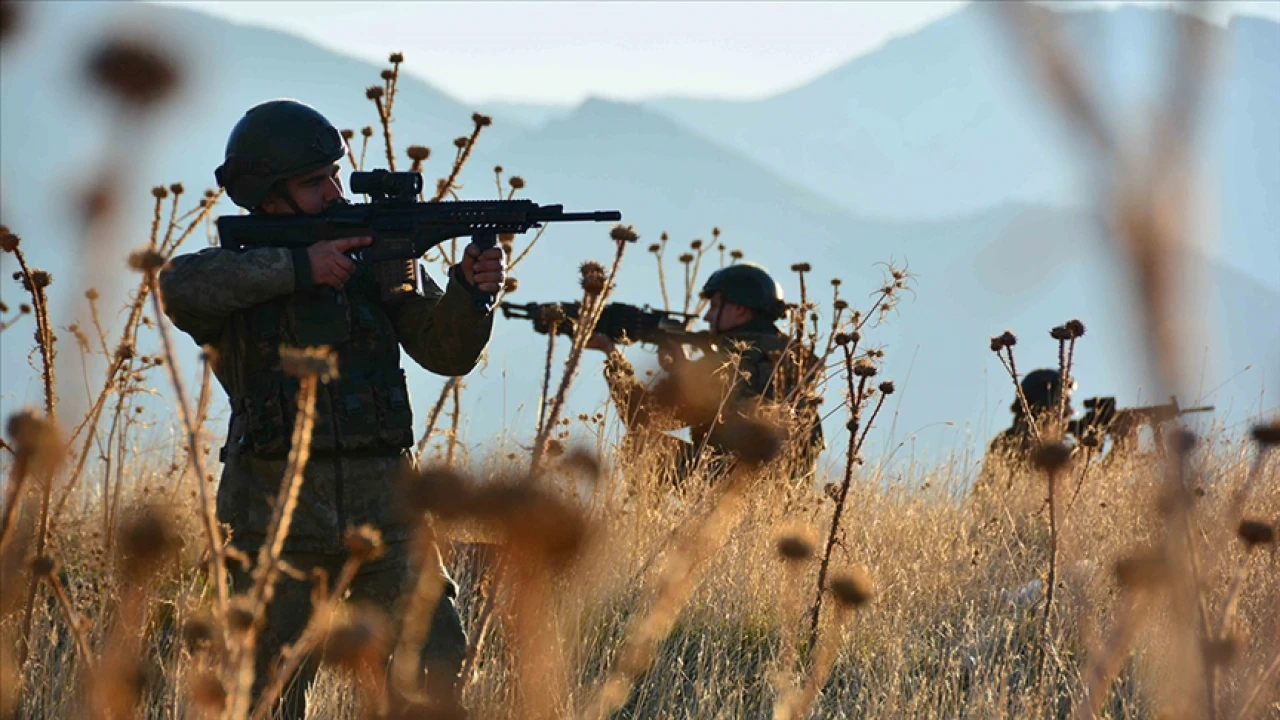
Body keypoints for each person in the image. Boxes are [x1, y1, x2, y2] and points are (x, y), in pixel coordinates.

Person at [158, 99, 505, 719]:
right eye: (314, 183)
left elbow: (443, 351)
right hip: (274, 525)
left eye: (336, 177)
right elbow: (179, 286)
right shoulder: (239, 272)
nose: (335, 193)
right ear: (268, 197)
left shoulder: (377, 257)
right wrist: (300, 268)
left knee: (434, 675)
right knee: (262, 696)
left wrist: (470, 294)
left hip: (388, 515)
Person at [585, 263, 824, 486]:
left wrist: (611, 354)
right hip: (788, 492)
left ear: (740, 310)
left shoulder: (728, 361)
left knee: (642, 445)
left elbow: (642, 415)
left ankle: (646, 517)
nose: (707, 316)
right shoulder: (789, 360)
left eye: (715, 306)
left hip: (736, 487)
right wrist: (683, 370)